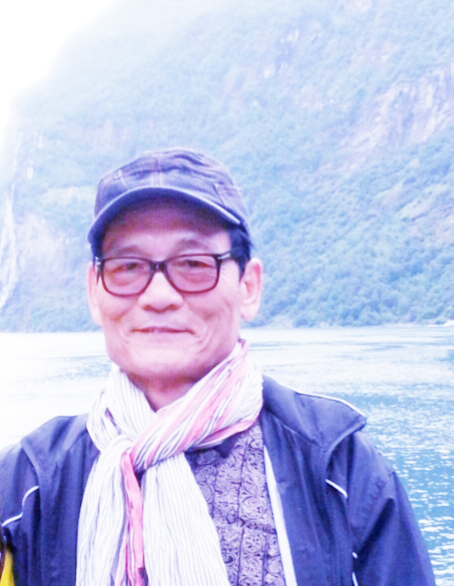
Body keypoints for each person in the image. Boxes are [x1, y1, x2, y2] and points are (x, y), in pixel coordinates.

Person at [0, 148, 435, 586]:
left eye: (193, 264)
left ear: (249, 286)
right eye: (127, 266)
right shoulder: (27, 486)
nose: (159, 296)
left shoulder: (339, 469)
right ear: (94, 291)